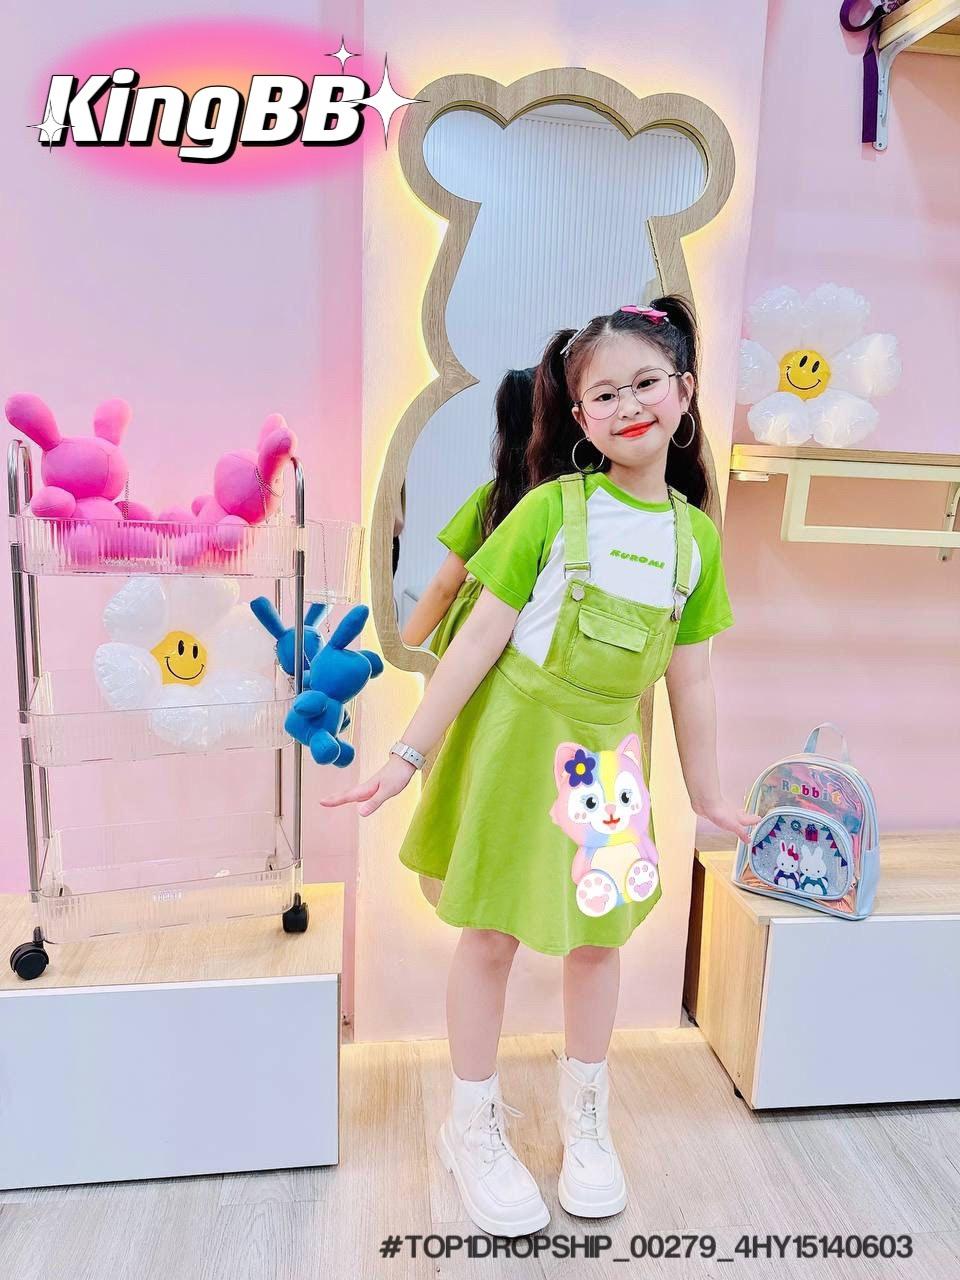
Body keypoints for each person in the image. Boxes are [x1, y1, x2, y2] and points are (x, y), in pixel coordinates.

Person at [324, 296, 760, 1237]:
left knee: (599, 940)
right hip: (516, 746)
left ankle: (587, 1122)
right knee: (489, 937)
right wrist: (405, 754)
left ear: (684, 392)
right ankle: (471, 1125)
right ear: (578, 416)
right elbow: (476, 641)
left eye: (646, 383)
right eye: (604, 393)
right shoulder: (548, 512)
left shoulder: (695, 540)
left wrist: (710, 793)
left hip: (609, 762)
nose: (628, 405)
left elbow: (691, 679)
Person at [400, 367, 535, 654]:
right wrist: (399, 658)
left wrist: (399, 657)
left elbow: (444, 587)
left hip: (465, 640)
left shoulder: (495, 497)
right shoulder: (498, 499)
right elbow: (444, 587)